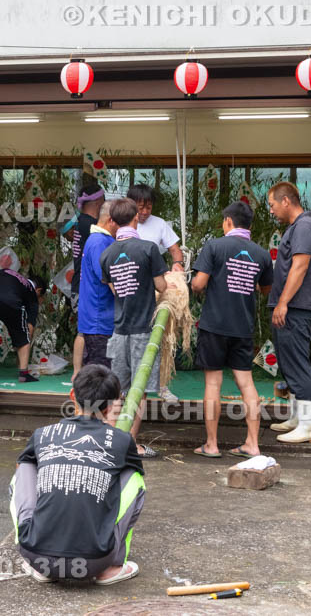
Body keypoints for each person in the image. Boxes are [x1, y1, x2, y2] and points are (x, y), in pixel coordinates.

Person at [10, 364, 145, 584]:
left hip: (37, 557)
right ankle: (113, 566)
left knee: (24, 466)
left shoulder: (42, 434)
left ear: (72, 395)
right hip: (96, 561)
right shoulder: (122, 441)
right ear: (111, 406)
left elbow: (25, 472)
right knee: (135, 476)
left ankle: (34, 549)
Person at [190, 201, 274, 458]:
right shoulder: (261, 254)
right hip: (242, 326)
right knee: (246, 384)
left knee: (213, 384)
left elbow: (198, 284)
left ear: (228, 222)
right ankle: (252, 444)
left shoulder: (215, 246)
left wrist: (194, 282)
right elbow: (265, 289)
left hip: (214, 325)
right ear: (249, 225)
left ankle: (212, 444)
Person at [99, 198, 168, 458]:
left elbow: (115, 289)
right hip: (143, 331)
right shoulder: (148, 249)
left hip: (118, 332)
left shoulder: (106, 254)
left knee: (118, 389)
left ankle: (108, 441)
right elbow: (161, 287)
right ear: (136, 218)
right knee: (138, 392)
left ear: (114, 222)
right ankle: (130, 445)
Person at [266, 181, 311, 444]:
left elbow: (300, 267)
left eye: (272, 204)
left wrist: (283, 302)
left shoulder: (304, 227)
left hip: (296, 308)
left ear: (286, 201)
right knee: (288, 362)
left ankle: (309, 425)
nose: (272, 210)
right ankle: (298, 416)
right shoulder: (295, 228)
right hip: (290, 307)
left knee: (298, 363)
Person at [126, 184, 185, 402]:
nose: (144, 212)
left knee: (159, 338)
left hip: (155, 289)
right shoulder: (123, 223)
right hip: (128, 290)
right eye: (140, 207)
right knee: (128, 340)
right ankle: (127, 388)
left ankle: (161, 386)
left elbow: (174, 249)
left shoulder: (160, 224)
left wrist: (177, 264)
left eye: (148, 207)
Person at [71, 182, 105, 380]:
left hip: (80, 284)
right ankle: (78, 373)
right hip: (85, 286)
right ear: (98, 200)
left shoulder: (81, 222)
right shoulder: (89, 226)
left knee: (83, 330)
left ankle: (79, 372)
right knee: (84, 331)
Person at [77, 200, 116, 370]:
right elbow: (109, 280)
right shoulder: (100, 242)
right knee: (100, 375)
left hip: (99, 318)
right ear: (111, 221)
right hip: (99, 319)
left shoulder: (100, 239)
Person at [0, 267, 46, 382]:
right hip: (12, 303)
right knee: (23, 336)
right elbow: (30, 329)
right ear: (38, 290)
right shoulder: (32, 295)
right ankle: (23, 373)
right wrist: (22, 342)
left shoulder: (7, 271)